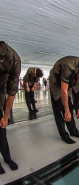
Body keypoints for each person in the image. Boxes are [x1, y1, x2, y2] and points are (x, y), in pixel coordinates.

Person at [49, 56, 79, 144]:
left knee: (69, 107)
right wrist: (66, 111)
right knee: (59, 109)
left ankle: (73, 131)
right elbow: (63, 91)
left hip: (69, 81)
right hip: (56, 82)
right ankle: (64, 135)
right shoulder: (67, 67)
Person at [0, 41, 20, 173]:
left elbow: (12, 93)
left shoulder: (14, 60)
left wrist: (6, 117)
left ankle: (7, 158)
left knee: (1, 130)